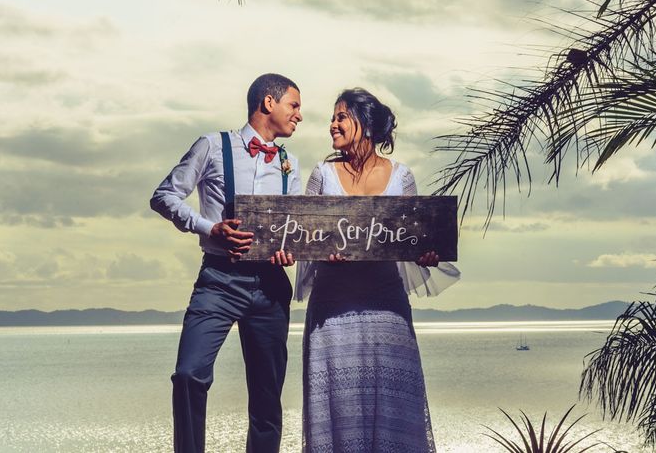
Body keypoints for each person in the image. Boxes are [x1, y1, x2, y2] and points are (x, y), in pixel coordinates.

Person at [296, 88, 460, 453]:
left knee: (395, 408)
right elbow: (304, 237)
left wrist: (426, 252)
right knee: (338, 410)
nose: (332, 125)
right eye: (333, 117)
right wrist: (323, 253)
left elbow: (414, 237)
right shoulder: (322, 174)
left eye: (341, 117)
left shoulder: (402, 177)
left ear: (366, 125)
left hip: (387, 309)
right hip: (332, 311)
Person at [149, 73, 303, 453]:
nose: (299, 115)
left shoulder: (290, 163)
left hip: (271, 285)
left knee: (268, 398)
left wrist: (289, 251)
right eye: (294, 105)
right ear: (269, 102)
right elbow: (164, 196)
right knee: (188, 375)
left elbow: (296, 230)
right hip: (218, 281)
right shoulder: (212, 146)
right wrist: (209, 227)